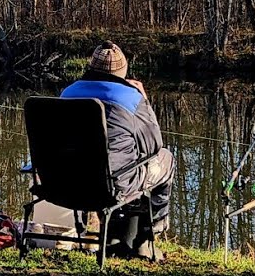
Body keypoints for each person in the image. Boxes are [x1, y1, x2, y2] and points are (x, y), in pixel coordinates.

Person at [61, 41, 173, 254]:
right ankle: (156, 224)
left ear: (91, 66)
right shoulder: (131, 98)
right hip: (113, 186)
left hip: (66, 182)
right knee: (167, 159)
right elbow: (154, 145)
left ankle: (108, 232)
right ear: (123, 71)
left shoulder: (67, 92)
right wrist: (144, 100)